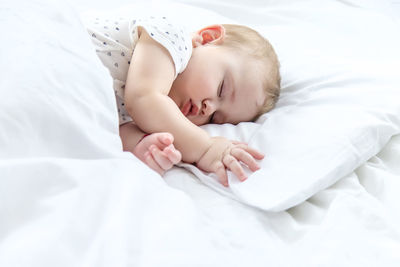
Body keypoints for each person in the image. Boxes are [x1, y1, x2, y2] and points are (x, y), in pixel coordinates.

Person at [84, 14, 280, 186]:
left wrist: (143, 146)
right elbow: (143, 98)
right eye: (221, 88)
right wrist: (205, 148)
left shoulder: (153, 117)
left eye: (215, 118)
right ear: (207, 38)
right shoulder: (171, 38)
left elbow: (110, 132)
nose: (208, 109)